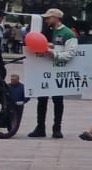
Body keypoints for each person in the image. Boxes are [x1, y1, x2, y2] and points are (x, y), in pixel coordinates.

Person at [26, 8, 75, 139]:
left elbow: (71, 53)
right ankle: (40, 127)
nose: (46, 20)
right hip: (43, 71)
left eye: (49, 18)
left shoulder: (67, 33)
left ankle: (57, 128)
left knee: (58, 100)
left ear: (56, 18)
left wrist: (55, 54)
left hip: (58, 70)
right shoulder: (45, 31)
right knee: (41, 99)